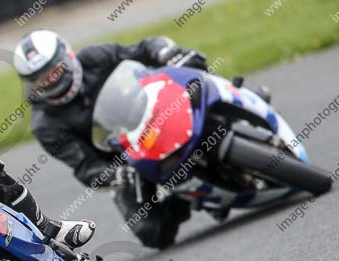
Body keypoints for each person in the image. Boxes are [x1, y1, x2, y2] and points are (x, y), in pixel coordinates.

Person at [12, 30, 211, 248]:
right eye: (41, 77)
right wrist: (114, 175)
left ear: (65, 57)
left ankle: (244, 104)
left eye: (53, 70)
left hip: (156, 115)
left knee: (197, 86)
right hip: (127, 161)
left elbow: (140, 50)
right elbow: (84, 165)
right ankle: (184, 198)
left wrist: (164, 52)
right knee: (151, 231)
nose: (50, 78)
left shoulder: (92, 57)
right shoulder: (45, 124)